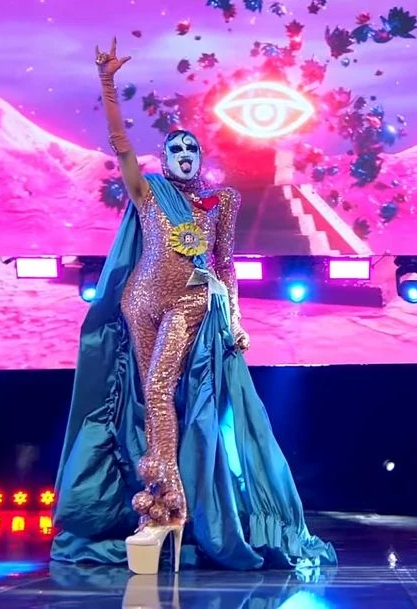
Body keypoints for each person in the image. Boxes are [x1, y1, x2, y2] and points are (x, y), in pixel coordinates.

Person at [51, 38, 337, 574]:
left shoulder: (220, 201)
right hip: (140, 302)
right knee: (150, 401)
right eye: (176, 149)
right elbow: (120, 146)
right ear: (165, 159)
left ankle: (170, 506)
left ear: (201, 159)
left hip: (190, 299)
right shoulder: (149, 191)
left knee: (163, 389)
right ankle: (158, 501)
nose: (184, 154)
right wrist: (108, 83)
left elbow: (225, 264)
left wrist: (237, 320)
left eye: (192, 149)